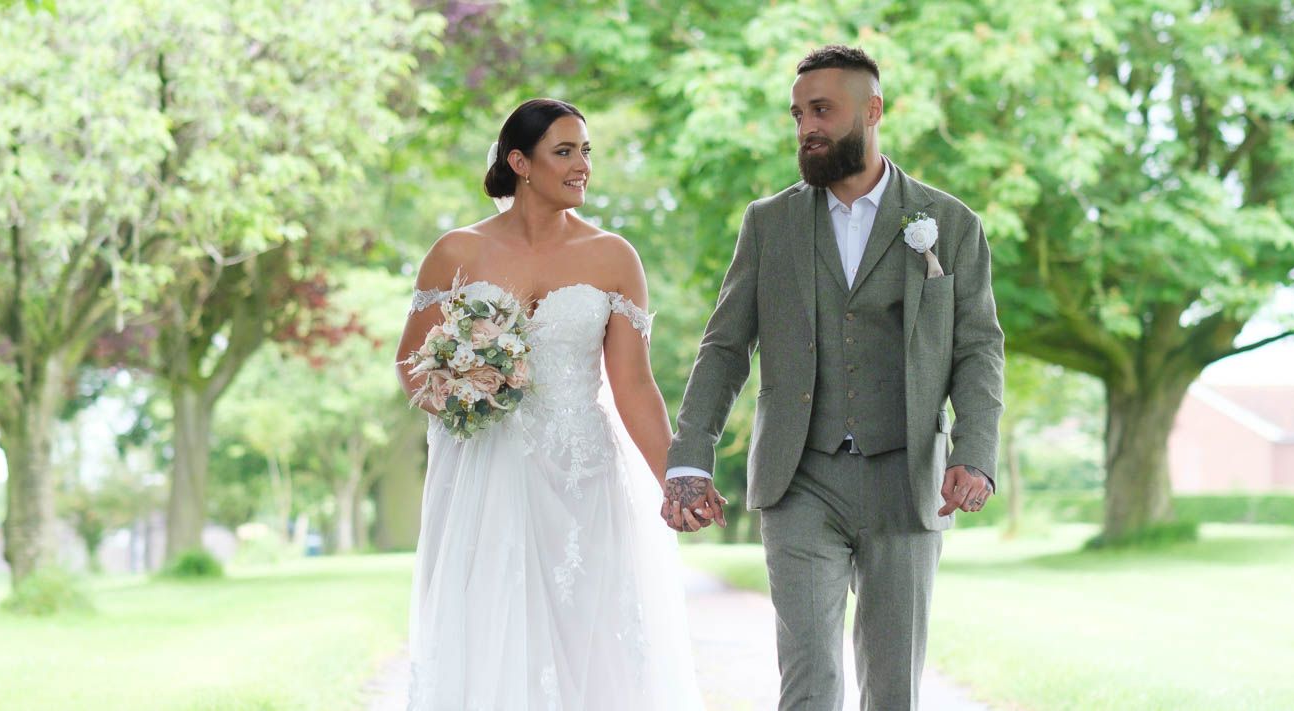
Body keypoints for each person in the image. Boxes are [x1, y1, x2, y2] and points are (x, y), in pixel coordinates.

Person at [662, 45, 1006, 710]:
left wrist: (975, 454)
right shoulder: (769, 223)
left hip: (908, 481)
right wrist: (690, 457)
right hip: (801, 482)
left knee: (893, 684)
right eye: (797, 113)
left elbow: (978, 349)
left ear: (872, 111)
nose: (806, 127)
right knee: (809, 678)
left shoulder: (950, 222)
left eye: (822, 109)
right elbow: (725, 346)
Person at [394, 98, 704, 710]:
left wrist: (676, 478)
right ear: (520, 162)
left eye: (586, 151)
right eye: (565, 151)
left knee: (589, 633)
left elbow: (634, 385)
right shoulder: (456, 253)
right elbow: (411, 364)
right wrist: (464, 391)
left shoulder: (615, 257)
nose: (582, 165)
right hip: (485, 477)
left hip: (583, 474)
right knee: (490, 628)